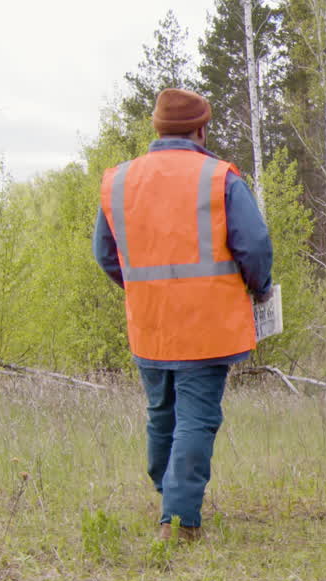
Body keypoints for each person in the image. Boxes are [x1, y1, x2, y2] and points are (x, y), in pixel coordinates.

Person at [94, 88, 274, 542]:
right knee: (195, 417)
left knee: (161, 414)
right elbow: (253, 247)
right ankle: (178, 521)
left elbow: (106, 255)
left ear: (156, 127)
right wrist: (259, 288)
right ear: (202, 129)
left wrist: (144, 289)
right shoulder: (220, 178)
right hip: (208, 324)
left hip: (149, 321)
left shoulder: (118, 181)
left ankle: (169, 496)